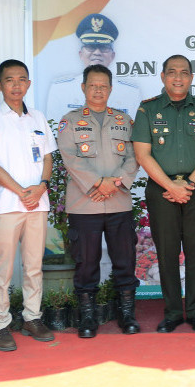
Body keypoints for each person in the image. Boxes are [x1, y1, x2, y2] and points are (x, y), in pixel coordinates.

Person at [132, 54, 195, 333]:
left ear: (192, 77)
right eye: (172, 72)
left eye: (184, 72)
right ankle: (172, 312)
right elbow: (142, 154)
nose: (178, 77)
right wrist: (171, 186)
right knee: (167, 253)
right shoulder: (148, 109)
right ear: (162, 76)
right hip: (161, 190)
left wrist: (189, 185)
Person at [57, 64, 141, 338]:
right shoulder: (69, 121)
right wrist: (98, 183)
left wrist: (114, 183)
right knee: (86, 263)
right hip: (85, 204)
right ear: (83, 87)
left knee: (125, 261)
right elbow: (70, 158)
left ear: (110, 88)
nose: (98, 90)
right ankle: (88, 317)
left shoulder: (123, 121)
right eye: (93, 85)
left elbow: (134, 157)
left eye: (103, 86)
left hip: (118, 202)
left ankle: (127, 314)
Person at [0, 59, 57, 351]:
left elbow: (48, 157)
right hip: (8, 204)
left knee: (34, 266)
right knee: (3, 267)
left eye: (21, 79)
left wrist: (40, 188)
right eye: (9, 80)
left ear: (28, 84)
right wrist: (21, 191)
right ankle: (0, 323)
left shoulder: (37, 117)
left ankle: (32, 317)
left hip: (38, 203)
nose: (16, 85)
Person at [46, 13, 141, 120]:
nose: (97, 52)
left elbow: (134, 132)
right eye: (91, 47)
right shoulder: (61, 89)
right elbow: (54, 130)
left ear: (112, 55)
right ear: (80, 54)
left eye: (103, 47)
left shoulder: (130, 92)